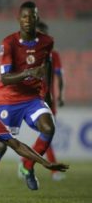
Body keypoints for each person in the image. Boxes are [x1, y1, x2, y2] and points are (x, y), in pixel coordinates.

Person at [0, 1, 56, 198]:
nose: (28, 20)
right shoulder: (9, 43)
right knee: (1, 146)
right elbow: (5, 77)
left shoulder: (47, 41)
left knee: (48, 127)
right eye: (24, 16)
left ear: (37, 18)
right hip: (8, 99)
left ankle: (27, 166)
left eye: (32, 16)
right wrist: (29, 72)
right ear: (19, 19)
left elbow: (48, 65)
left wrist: (48, 93)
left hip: (32, 99)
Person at [36, 21, 66, 181]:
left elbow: (60, 77)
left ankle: (25, 162)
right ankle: (52, 170)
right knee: (45, 136)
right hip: (31, 101)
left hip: (48, 100)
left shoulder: (53, 55)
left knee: (46, 136)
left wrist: (61, 95)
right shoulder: (29, 54)